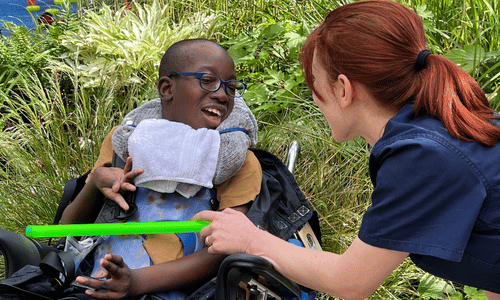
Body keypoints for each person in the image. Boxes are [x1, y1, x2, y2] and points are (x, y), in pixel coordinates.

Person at [194, 1, 500, 299]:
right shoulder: (434, 127)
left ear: (343, 89)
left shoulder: (421, 156)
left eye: (314, 80)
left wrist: (250, 239)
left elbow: (350, 281)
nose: (314, 95)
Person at [60, 39, 262, 300]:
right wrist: (95, 183)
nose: (222, 95)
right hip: (89, 285)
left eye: (231, 87)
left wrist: (136, 282)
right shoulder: (123, 142)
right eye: (208, 80)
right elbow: (67, 232)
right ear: (167, 88)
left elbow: (228, 247)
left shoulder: (237, 160)